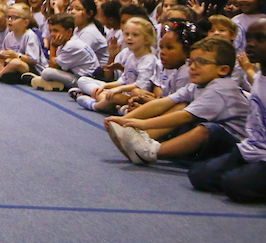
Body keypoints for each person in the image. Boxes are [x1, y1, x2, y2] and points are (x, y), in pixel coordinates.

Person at [106, 37, 249, 165]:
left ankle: (150, 151)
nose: (192, 67)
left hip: (234, 144)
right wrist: (125, 120)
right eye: (191, 62)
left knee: (207, 129)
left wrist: (141, 123)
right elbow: (163, 102)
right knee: (181, 105)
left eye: (202, 62)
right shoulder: (197, 85)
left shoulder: (221, 88)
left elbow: (185, 116)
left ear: (223, 70)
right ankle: (142, 138)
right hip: (208, 140)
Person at [188, 18, 266, 203]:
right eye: (249, 38)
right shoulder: (261, 78)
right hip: (252, 149)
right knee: (198, 175)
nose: (251, 44)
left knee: (234, 185)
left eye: (261, 39)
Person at [30, 13, 100, 92]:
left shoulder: (72, 45)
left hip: (85, 79)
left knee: (47, 72)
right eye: (50, 31)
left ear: (69, 31)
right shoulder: (67, 42)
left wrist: (53, 45)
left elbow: (53, 66)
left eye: (56, 31)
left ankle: (56, 84)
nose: (52, 34)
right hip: (76, 75)